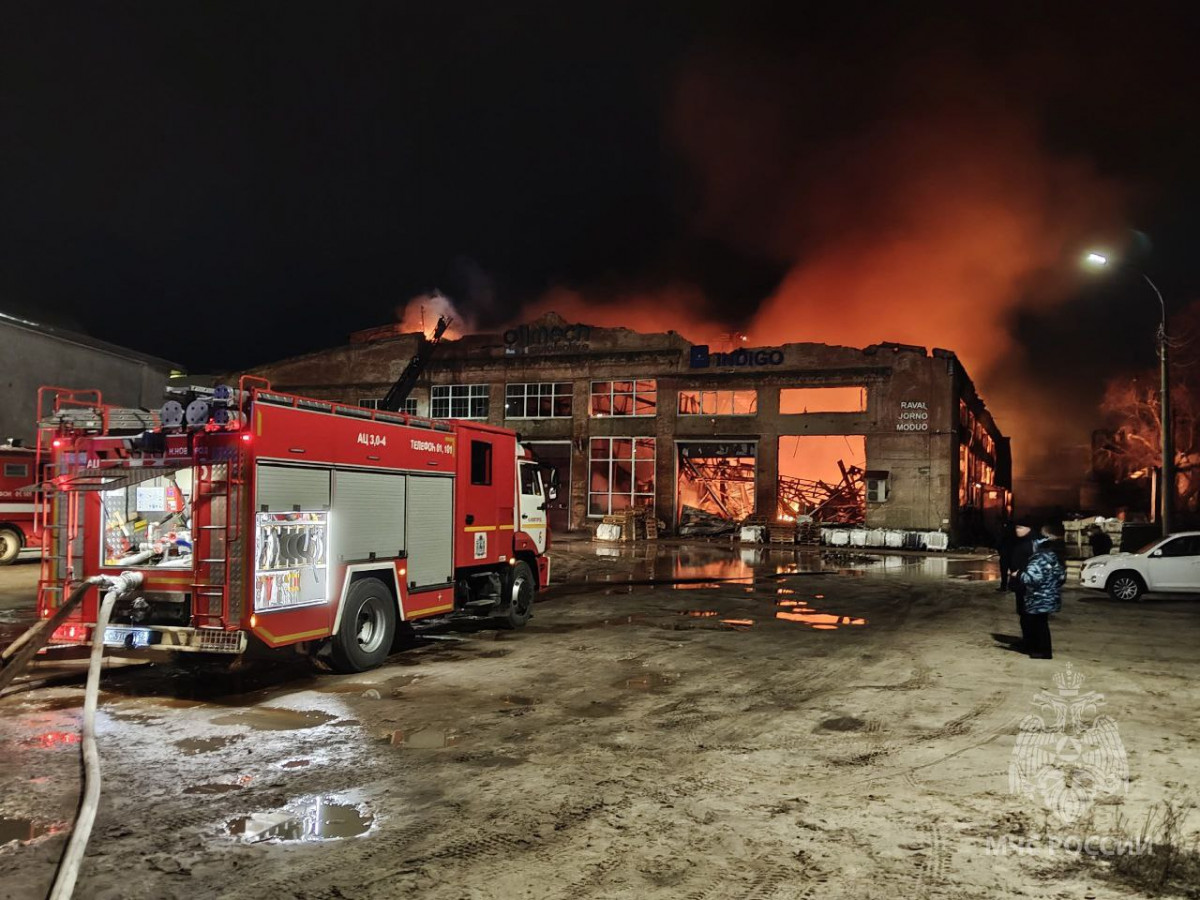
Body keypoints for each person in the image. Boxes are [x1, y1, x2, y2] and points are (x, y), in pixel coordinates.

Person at [1019, 522, 1067, 659]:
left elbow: (1032, 578)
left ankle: (1043, 651)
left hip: (1039, 597)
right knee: (1042, 624)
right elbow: (1061, 576)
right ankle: (1043, 650)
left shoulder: (1039, 557)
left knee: (1039, 625)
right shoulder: (1054, 556)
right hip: (1049, 596)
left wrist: (1019, 575)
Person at [996, 519, 1017, 592]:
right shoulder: (1015, 534)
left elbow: (998, 543)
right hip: (1012, 554)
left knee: (1004, 571)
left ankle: (1004, 586)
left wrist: (1000, 551)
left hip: (1005, 554)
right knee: (1013, 571)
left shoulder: (1003, 533)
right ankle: (1012, 586)